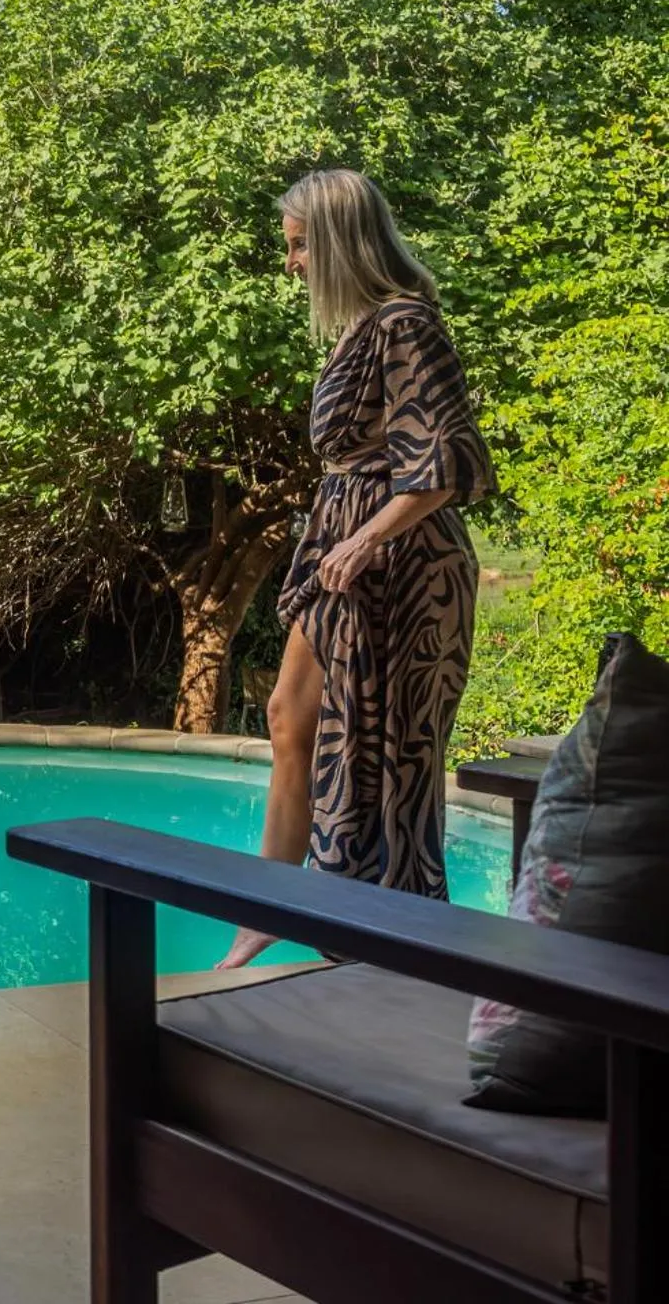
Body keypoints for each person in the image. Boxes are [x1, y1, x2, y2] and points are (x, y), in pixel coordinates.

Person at [219, 169, 496, 969]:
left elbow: (447, 461)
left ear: (341, 242)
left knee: (389, 760)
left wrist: (369, 537)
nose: (292, 263)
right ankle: (268, 906)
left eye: (301, 246)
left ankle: (383, 937)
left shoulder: (407, 322)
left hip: (406, 566)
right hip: (344, 555)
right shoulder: (359, 328)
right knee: (288, 718)